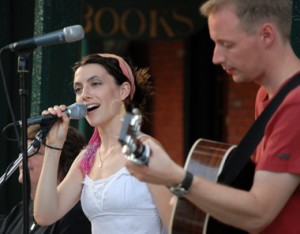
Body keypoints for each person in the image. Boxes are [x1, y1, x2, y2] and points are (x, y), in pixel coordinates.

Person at [124, 0, 300, 233]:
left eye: (227, 44)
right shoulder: (266, 96)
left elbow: (259, 212)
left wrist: (178, 178)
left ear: (266, 35)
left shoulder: (295, 105)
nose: (216, 57)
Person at [33, 54, 173, 233]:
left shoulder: (145, 149)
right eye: (78, 89)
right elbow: (45, 215)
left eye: (95, 84)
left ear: (123, 91)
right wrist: (53, 146)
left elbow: (175, 225)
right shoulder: (87, 157)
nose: (84, 95)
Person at [0, 125, 91, 233]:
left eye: (36, 152)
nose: (23, 157)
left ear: (62, 161)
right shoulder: (18, 212)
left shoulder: (75, 218)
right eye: (23, 150)